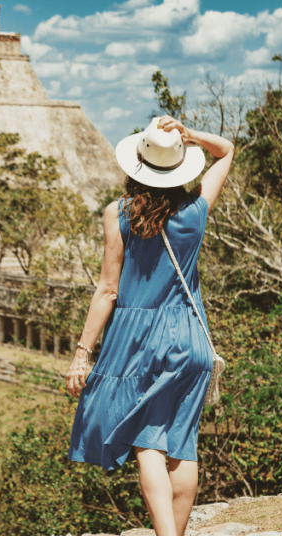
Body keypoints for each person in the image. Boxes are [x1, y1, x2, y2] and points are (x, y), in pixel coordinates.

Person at [65, 114, 234, 536]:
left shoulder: (117, 214)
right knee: (182, 443)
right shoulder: (195, 211)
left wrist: (82, 353)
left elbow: (107, 290)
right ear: (179, 167)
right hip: (193, 340)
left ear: (135, 166)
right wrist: (188, 135)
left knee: (147, 443)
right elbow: (227, 150)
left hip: (141, 340)